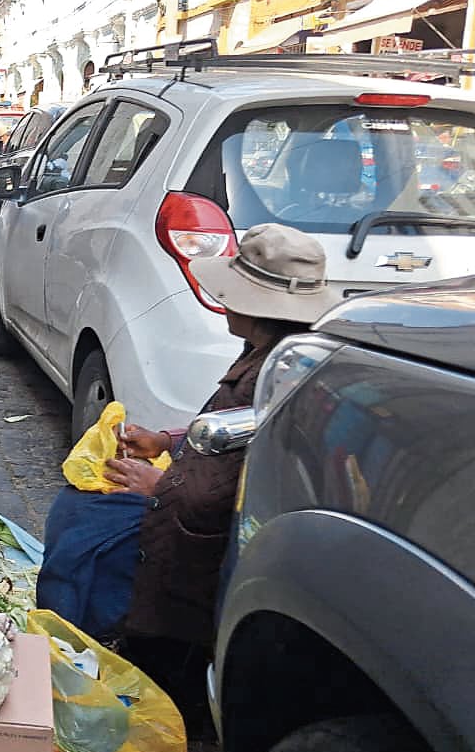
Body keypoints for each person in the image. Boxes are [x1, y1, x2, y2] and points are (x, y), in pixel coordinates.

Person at [36, 224, 343, 726]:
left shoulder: (279, 371)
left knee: (83, 520)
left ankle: (100, 639)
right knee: (83, 507)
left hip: (210, 526)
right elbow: (228, 432)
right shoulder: (269, 354)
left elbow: (241, 480)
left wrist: (159, 485)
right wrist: (166, 442)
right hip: (197, 495)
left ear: (255, 306)